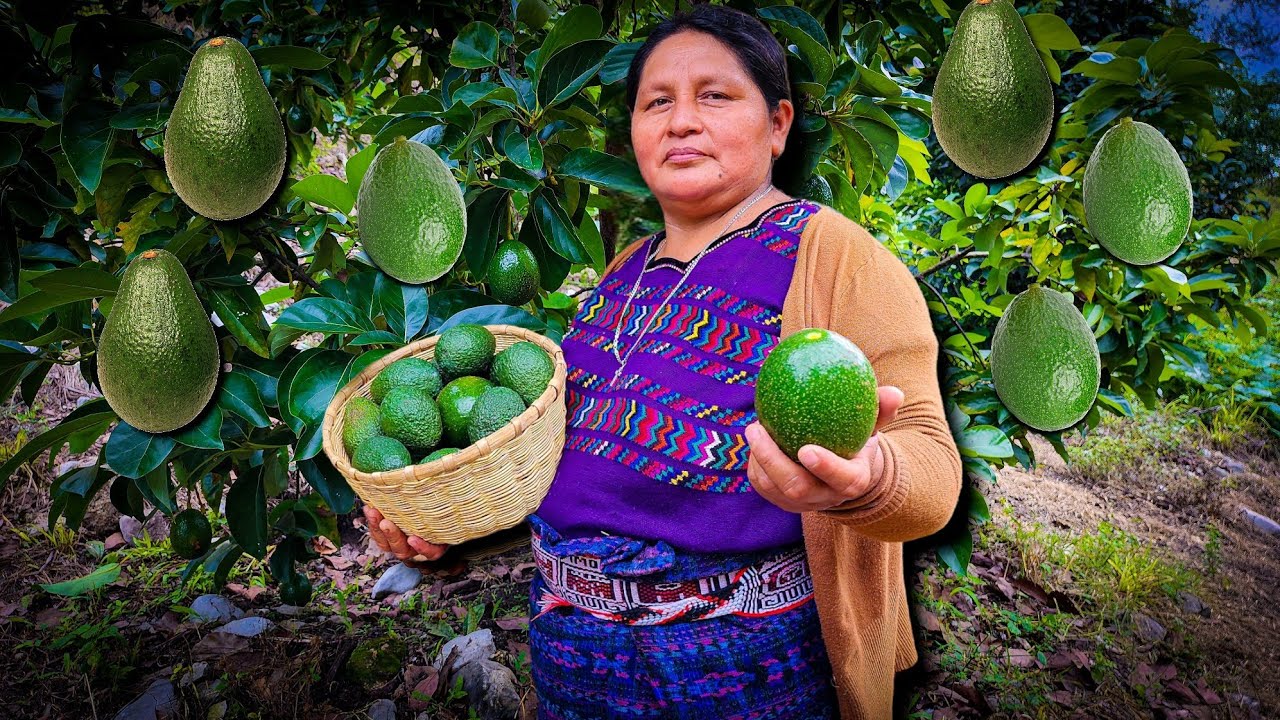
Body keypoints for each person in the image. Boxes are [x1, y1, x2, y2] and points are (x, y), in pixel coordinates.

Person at [364, 4, 962, 718]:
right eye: (657, 102)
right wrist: (449, 524)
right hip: (570, 657)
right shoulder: (624, 272)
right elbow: (576, 478)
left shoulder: (835, 257)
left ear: (778, 124)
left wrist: (867, 480)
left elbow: (931, 464)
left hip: (743, 670)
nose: (681, 121)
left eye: (715, 95)